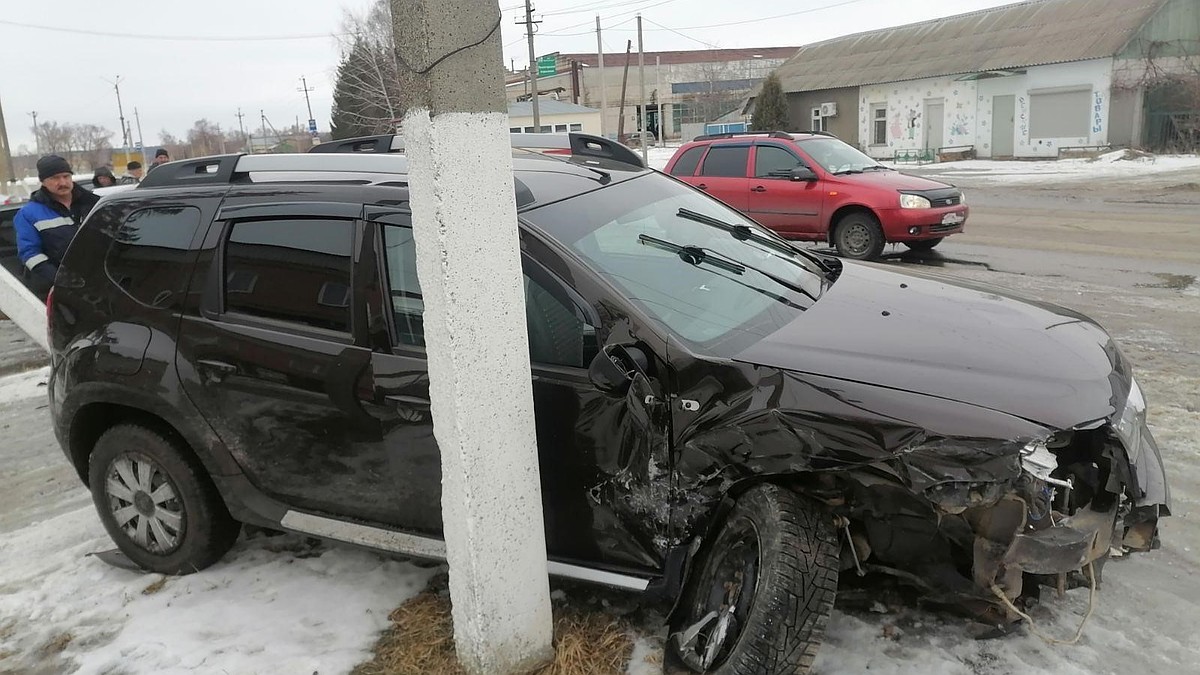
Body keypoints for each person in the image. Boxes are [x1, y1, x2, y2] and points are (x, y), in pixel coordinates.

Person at [14, 155, 100, 296]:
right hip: (57, 290)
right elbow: (29, 254)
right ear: (43, 182)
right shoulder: (28, 214)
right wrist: (61, 280)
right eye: (55, 178)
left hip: (100, 282)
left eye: (66, 176)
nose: (62, 182)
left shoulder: (95, 203)